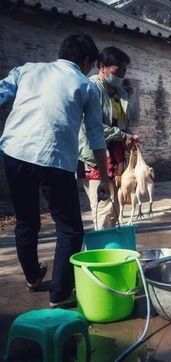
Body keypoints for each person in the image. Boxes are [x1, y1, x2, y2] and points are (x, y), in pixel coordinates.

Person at [0, 34, 110, 307]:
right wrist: (105, 177)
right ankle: (59, 295)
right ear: (86, 60)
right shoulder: (86, 86)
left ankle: (32, 278)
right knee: (70, 230)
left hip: (16, 153)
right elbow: (95, 135)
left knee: (26, 222)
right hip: (55, 157)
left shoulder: (27, 70)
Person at [78, 46, 139, 230]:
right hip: (95, 157)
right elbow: (91, 127)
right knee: (103, 208)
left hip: (116, 158)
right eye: (117, 69)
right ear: (101, 66)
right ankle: (101, 254)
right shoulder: (91, 89)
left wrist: (128, 137)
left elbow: (120, 124)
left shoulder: (120, 94)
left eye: (124, 70)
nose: (121, 74)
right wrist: (122, 135)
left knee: (116, 207)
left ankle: (112, 251)